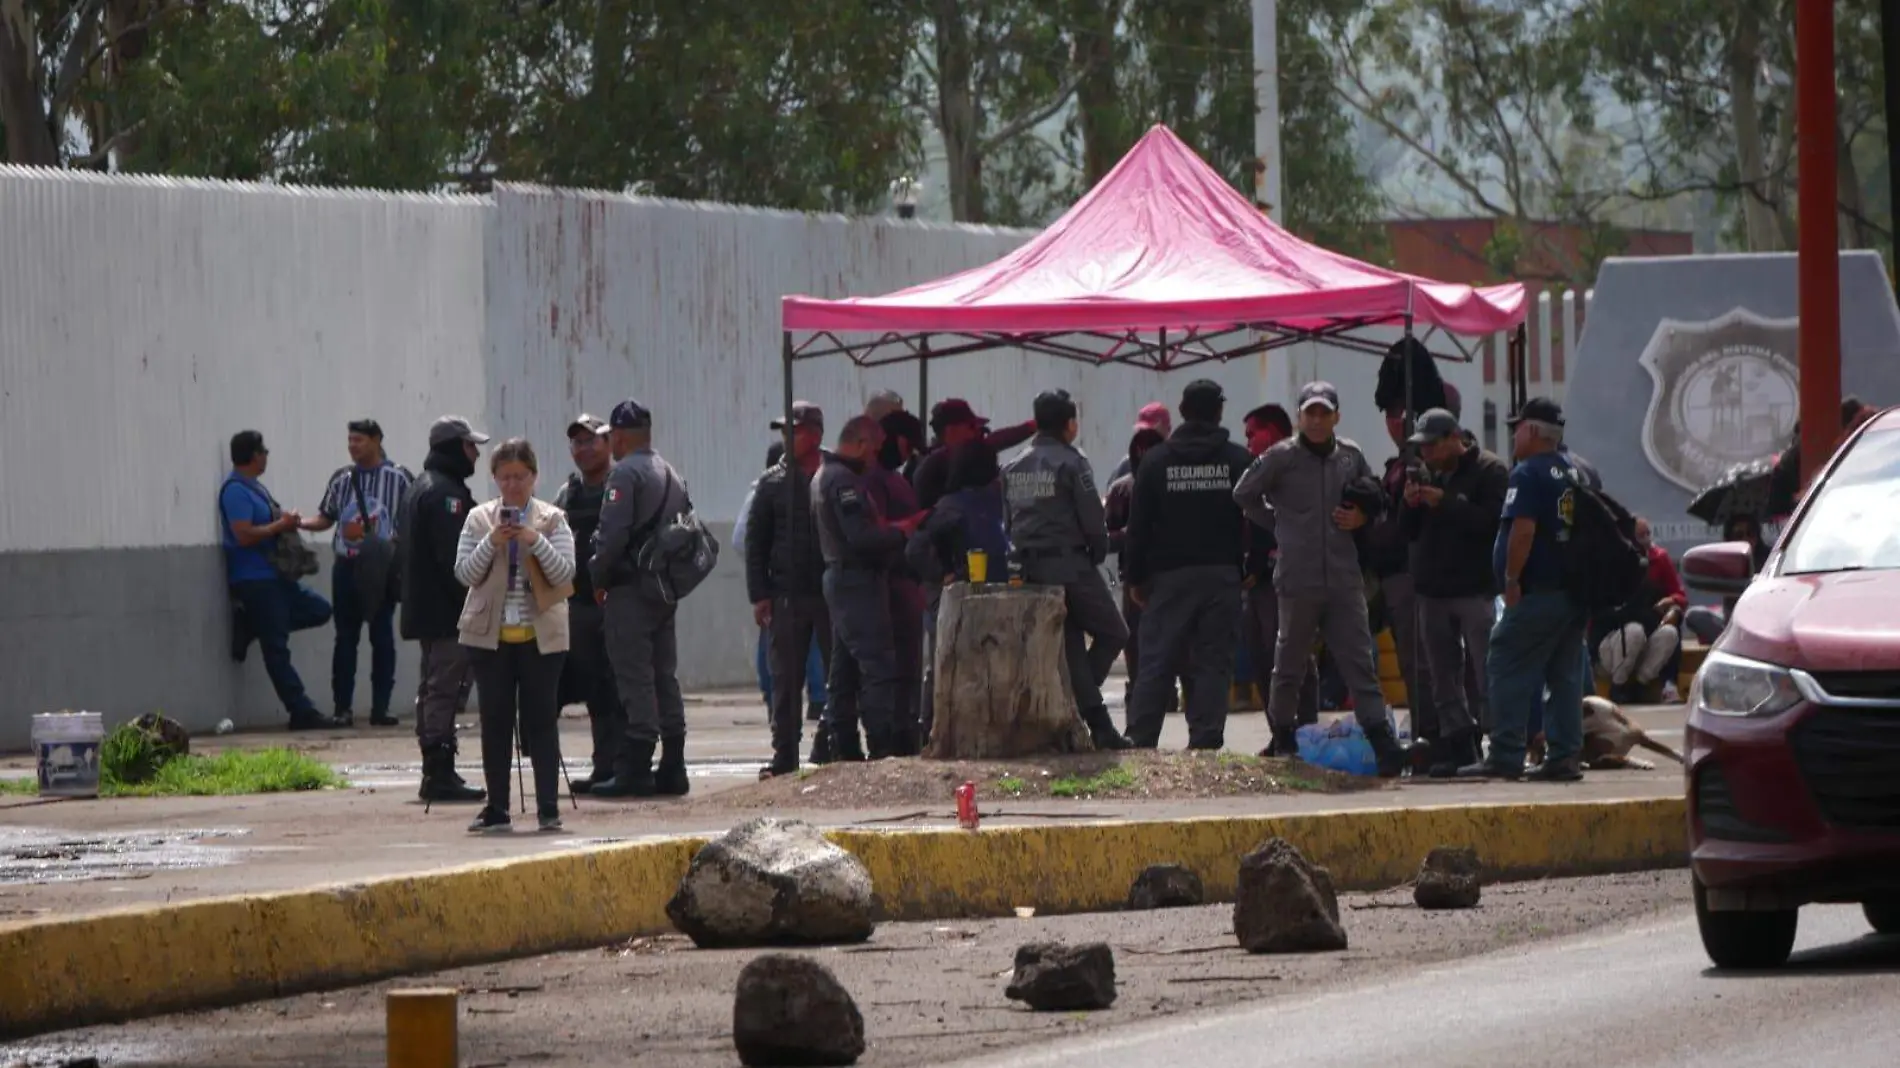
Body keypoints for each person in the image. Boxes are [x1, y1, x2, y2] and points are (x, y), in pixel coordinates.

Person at [1234, 382, 1405, 775]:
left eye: (1323, 413)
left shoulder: (1350, 455)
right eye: (1309, 413)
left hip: (1344, 578)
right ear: (1299, 417)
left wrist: (1361, 517)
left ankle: (1381, 740)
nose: (1316, 420)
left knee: (1359, 661)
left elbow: (1374, 499)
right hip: (1298, 577)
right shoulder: (1280, 457)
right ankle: (1282, 735)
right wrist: (1279, 525)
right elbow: (1243, 494)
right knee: (1289, 661)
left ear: (1336, 417)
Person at [1460, 396, 1588, 782]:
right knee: (1563, 673)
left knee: (1504, 660)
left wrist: (1512, 579)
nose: (1514, 435)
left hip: (1537, 592)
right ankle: (1565, 755)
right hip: (1571, 592)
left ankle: (1505, 754)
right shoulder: (1572, 471)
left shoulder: (1528, 473)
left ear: (1532, 431)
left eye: (1517, 428)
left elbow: (1523, 530)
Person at [453, 438, 577, 834]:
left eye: (520, 477)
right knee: (495, 720)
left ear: (534, 477)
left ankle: (547, 807)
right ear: (494, 479)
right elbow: (465, 575)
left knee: (541, 720)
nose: (513, 485)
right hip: (490, 636)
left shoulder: (553, 519)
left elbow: (565, 574)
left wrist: (533, 540)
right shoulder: (477, 520)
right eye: (505, 478)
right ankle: (497, 807)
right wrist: (493, 542)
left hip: (540, 635)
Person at [1124, 380, 1254, 750]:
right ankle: (1206, 738)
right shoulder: (1236, 459)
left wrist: (1135, 578)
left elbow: (1139, 526)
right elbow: (1260, 517)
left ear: (1182, 412)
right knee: (1213, 661)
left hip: (1169, 579)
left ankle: (1141, 737)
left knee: (1157, 659)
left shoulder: (1156, 462)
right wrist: (1251, 566)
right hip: (1221, 576)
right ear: (1219, 412)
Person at [1001, 389, 1131, 751]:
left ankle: (1097, 726)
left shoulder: (1013, 466)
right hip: (1071, 565)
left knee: (1071, 645)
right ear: (1069, 424)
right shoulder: (1072, 462)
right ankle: (1078, 708)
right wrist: (1097, 552)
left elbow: (1007, 521)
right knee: (1114, 633)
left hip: (1030, 569)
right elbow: (1093, 518)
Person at [589, 399, 694, 798]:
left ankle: (636, 766)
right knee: (664, 675)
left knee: (633, 675)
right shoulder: (670, 472)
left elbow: (612, 537)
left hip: (630, 590)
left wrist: (597, 575)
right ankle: (674, 763)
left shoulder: (625, 475)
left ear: (618, 436)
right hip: (663, 589)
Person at [1400, 408, 1509, 776]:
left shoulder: (1490, 471)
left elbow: (1490, 524)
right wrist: (1411, 503)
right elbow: (1408, 532)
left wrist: (1444, 502)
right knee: (1441, 675)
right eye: (1422, 447)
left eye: (1432, 445)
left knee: (1486, 670)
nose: (1426, 454)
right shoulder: (1427, 473)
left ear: (1453, 438)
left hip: (1475, 589)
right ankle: (1459, 746)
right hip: (1432, 590)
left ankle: (1501, 745)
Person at [815, 415, 925, 760]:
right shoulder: (843, 481)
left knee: (845, 666)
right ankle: (881, 744)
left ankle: (844, 744)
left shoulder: (829, 475)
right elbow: (860, 537)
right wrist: (900, 533)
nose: (876, 458)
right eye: (874, 450)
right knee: (877, 665)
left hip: (847, 579)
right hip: (856, 580)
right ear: (861, 444)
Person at [218, 430, 338, 731]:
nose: (267, 456)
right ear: (253, 455)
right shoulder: (235, 491)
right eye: (263, 451)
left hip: (276, 576)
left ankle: (255, 625)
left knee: (319, 609)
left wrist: (286, 522)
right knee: (277, 648)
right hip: (255, 578)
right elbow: (243, 534)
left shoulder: (256, 488)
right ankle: (301, 711)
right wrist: (278, 526)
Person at [398, 415, 489, 804]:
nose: (476, 454)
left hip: (430, 610)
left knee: (436, 688)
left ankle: (438, 767)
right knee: (444, 691)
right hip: (446, 613)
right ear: (454, 447)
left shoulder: (425, 487)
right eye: (471, 446)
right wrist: (474, 604)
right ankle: (438, 770)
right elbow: (456, 561)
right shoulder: (444, 495)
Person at [746, 402, 835, 777]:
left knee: (839, 674)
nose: (787, 439)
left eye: (794, 431)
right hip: (787, 592)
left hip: (831, 591)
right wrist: (760, 594)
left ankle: (830, 744)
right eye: (784, 432)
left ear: (815, 433)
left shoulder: (836, 473)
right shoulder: (772, 482)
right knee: (785, 678)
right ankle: (785, 754)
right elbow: (756, 542)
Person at [304, 419, 411, 727]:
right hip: (346, 565)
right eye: (350, 441)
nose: (353, 447)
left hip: (380, 567)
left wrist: (396, 546)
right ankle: (343, 708)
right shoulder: (342, 478)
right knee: (345, 638)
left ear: (377, 440)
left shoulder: (399, 477)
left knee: (381, 636)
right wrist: (298, 523)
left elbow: (412, 516)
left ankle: (381, 708)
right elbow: (326, 517)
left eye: (359, 440)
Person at [907, 440, 1010, 742]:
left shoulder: (993, 499)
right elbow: (916, 548)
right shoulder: (954, 505)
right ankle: (932, 729)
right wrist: (945, 574)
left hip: (993, 597)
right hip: (956, 599)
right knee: (945, 661)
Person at [735, 441, 829, 746]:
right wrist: (761, 589)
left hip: (820, 591)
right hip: (784, 592)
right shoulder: (767, 487)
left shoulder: (826, 479)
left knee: (820, 662)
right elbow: (745, 540)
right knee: (781, 667)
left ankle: (824, 724)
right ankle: (784, 736)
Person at [553, 414, 627, 793]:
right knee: (595, 689)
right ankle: (604, 768)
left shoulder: (622, 485)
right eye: (577, 443)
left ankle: (627, 766)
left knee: (621, 687)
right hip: (579, 605)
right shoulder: (568, 494)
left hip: (619, 603)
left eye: (590, 441)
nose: (583, 449)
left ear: (608, 442)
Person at [1239, 404, 1317, 749]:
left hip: (1292, 578)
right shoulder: (1258, 470)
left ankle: (1306, 732)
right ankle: (1280, 734)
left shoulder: (1300, 464)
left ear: (1272, 431)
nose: (1247, 442)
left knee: (1291, 654)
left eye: (1252, 434)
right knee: (1260, 655)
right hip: (1257, 585)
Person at [1367, 406, 1436, 746]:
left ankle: (1431, 733)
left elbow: (1407, 528)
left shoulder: (1416, 467)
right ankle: (1426, 731)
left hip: (1410, 575)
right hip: (1392, 574)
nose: (1393, 422)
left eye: (1400, 414)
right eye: (1390, 414)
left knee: (1418, 661)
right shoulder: (1398, 466)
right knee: (1412, 660)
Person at [1105, 427, 1182, 720]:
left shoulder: (1174, 484)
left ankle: (1168, 694)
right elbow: (1107, 537)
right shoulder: (1122, 489)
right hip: (1136, 579)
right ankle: (1138, 694)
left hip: (1170, 575)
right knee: (1135, 640)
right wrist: (1132, 535)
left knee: (1174, 638)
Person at [866, 412, 929, 755]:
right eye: (905, 445)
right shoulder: (875, 480)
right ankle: (892, 735)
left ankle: (903, 732)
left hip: (904, 583)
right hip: (891, 583)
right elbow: (879, 529)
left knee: (907, 668)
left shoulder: (891, 478)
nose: (907, 454)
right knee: (895, 668)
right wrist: (912, 524)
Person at [1590, 517, 1687, 703]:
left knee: (1669, 633)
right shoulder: (1609, 567)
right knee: (1634, 631)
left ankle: (1639, 685)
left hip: (1646, 639)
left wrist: (1671, 605)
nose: (1645, 541)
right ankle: (1619, 685)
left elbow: (1680, 596)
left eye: (1647, 534)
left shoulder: (1659, 559)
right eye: (1639, 536)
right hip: (1612, 645)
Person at [911, 399, 1037, 509]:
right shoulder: (938, 462)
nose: (977, 432)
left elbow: (995, 440)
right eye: (971, 426)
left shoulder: (942, 458)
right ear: (951, 430)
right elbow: (995, 441)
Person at [1109, 402, 1172, 481]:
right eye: (1141, 431)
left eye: (1151, 431)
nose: (1146, 436)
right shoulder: (1126, 466)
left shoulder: (1177, 463)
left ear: (1168, 429)